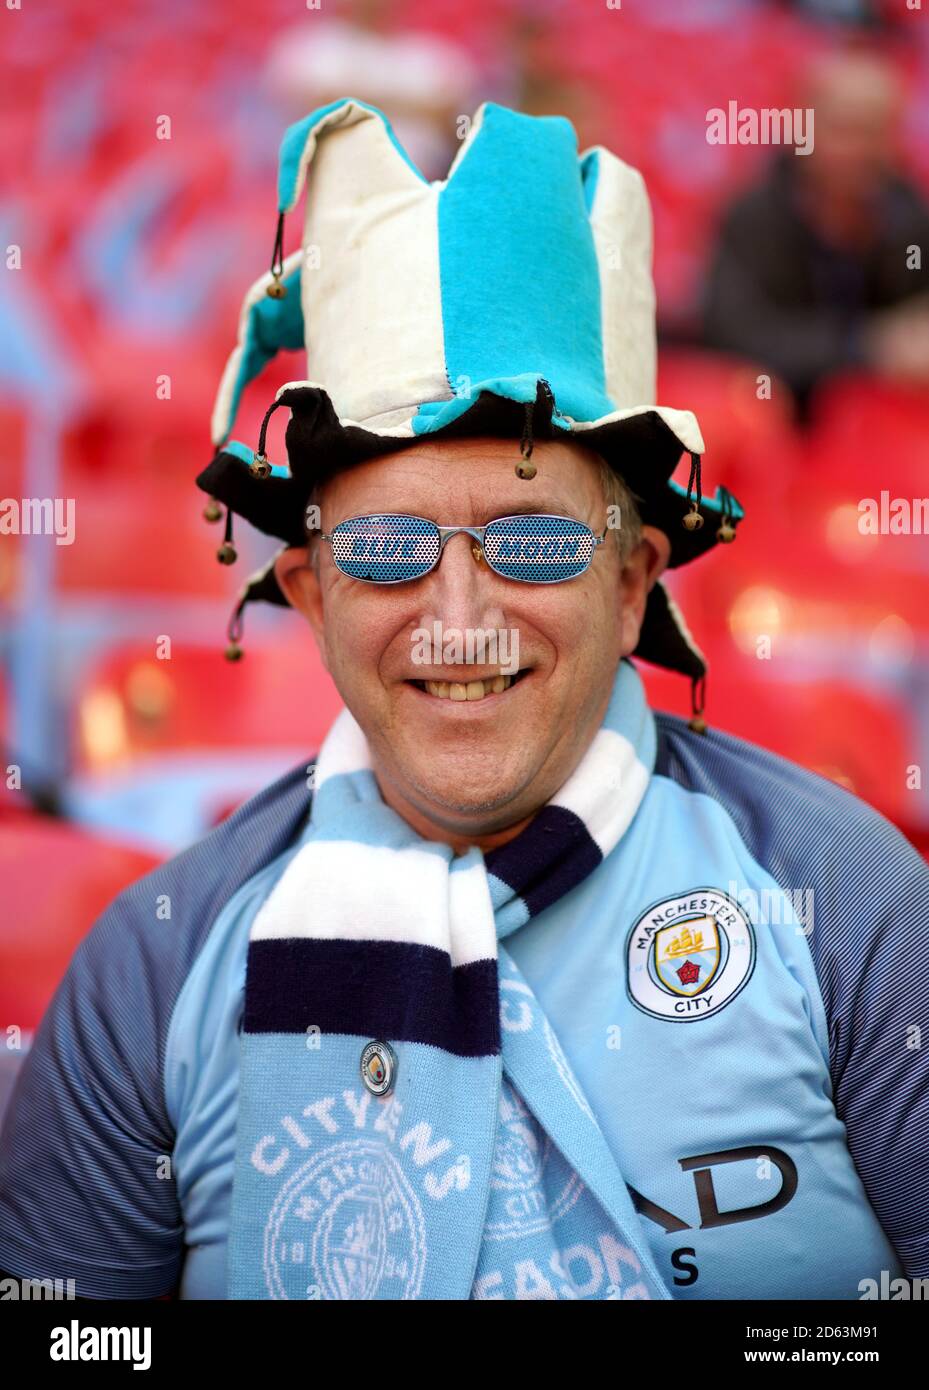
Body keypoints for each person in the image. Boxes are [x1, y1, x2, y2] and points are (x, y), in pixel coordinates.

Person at [0, 96, 926, 1302]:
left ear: (633, 572)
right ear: (311, 591)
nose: (457, 619)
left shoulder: (851, 908)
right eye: (385, 548)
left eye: (531, 544)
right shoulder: (151, 973)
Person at [702, 47, 929, 414]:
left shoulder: (912, 215)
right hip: (780, 416)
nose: (861, 150)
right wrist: (867, 345)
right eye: (844, 128)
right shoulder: (752, 216)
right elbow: (734, 337)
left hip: (882, 421)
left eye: (877, 131)